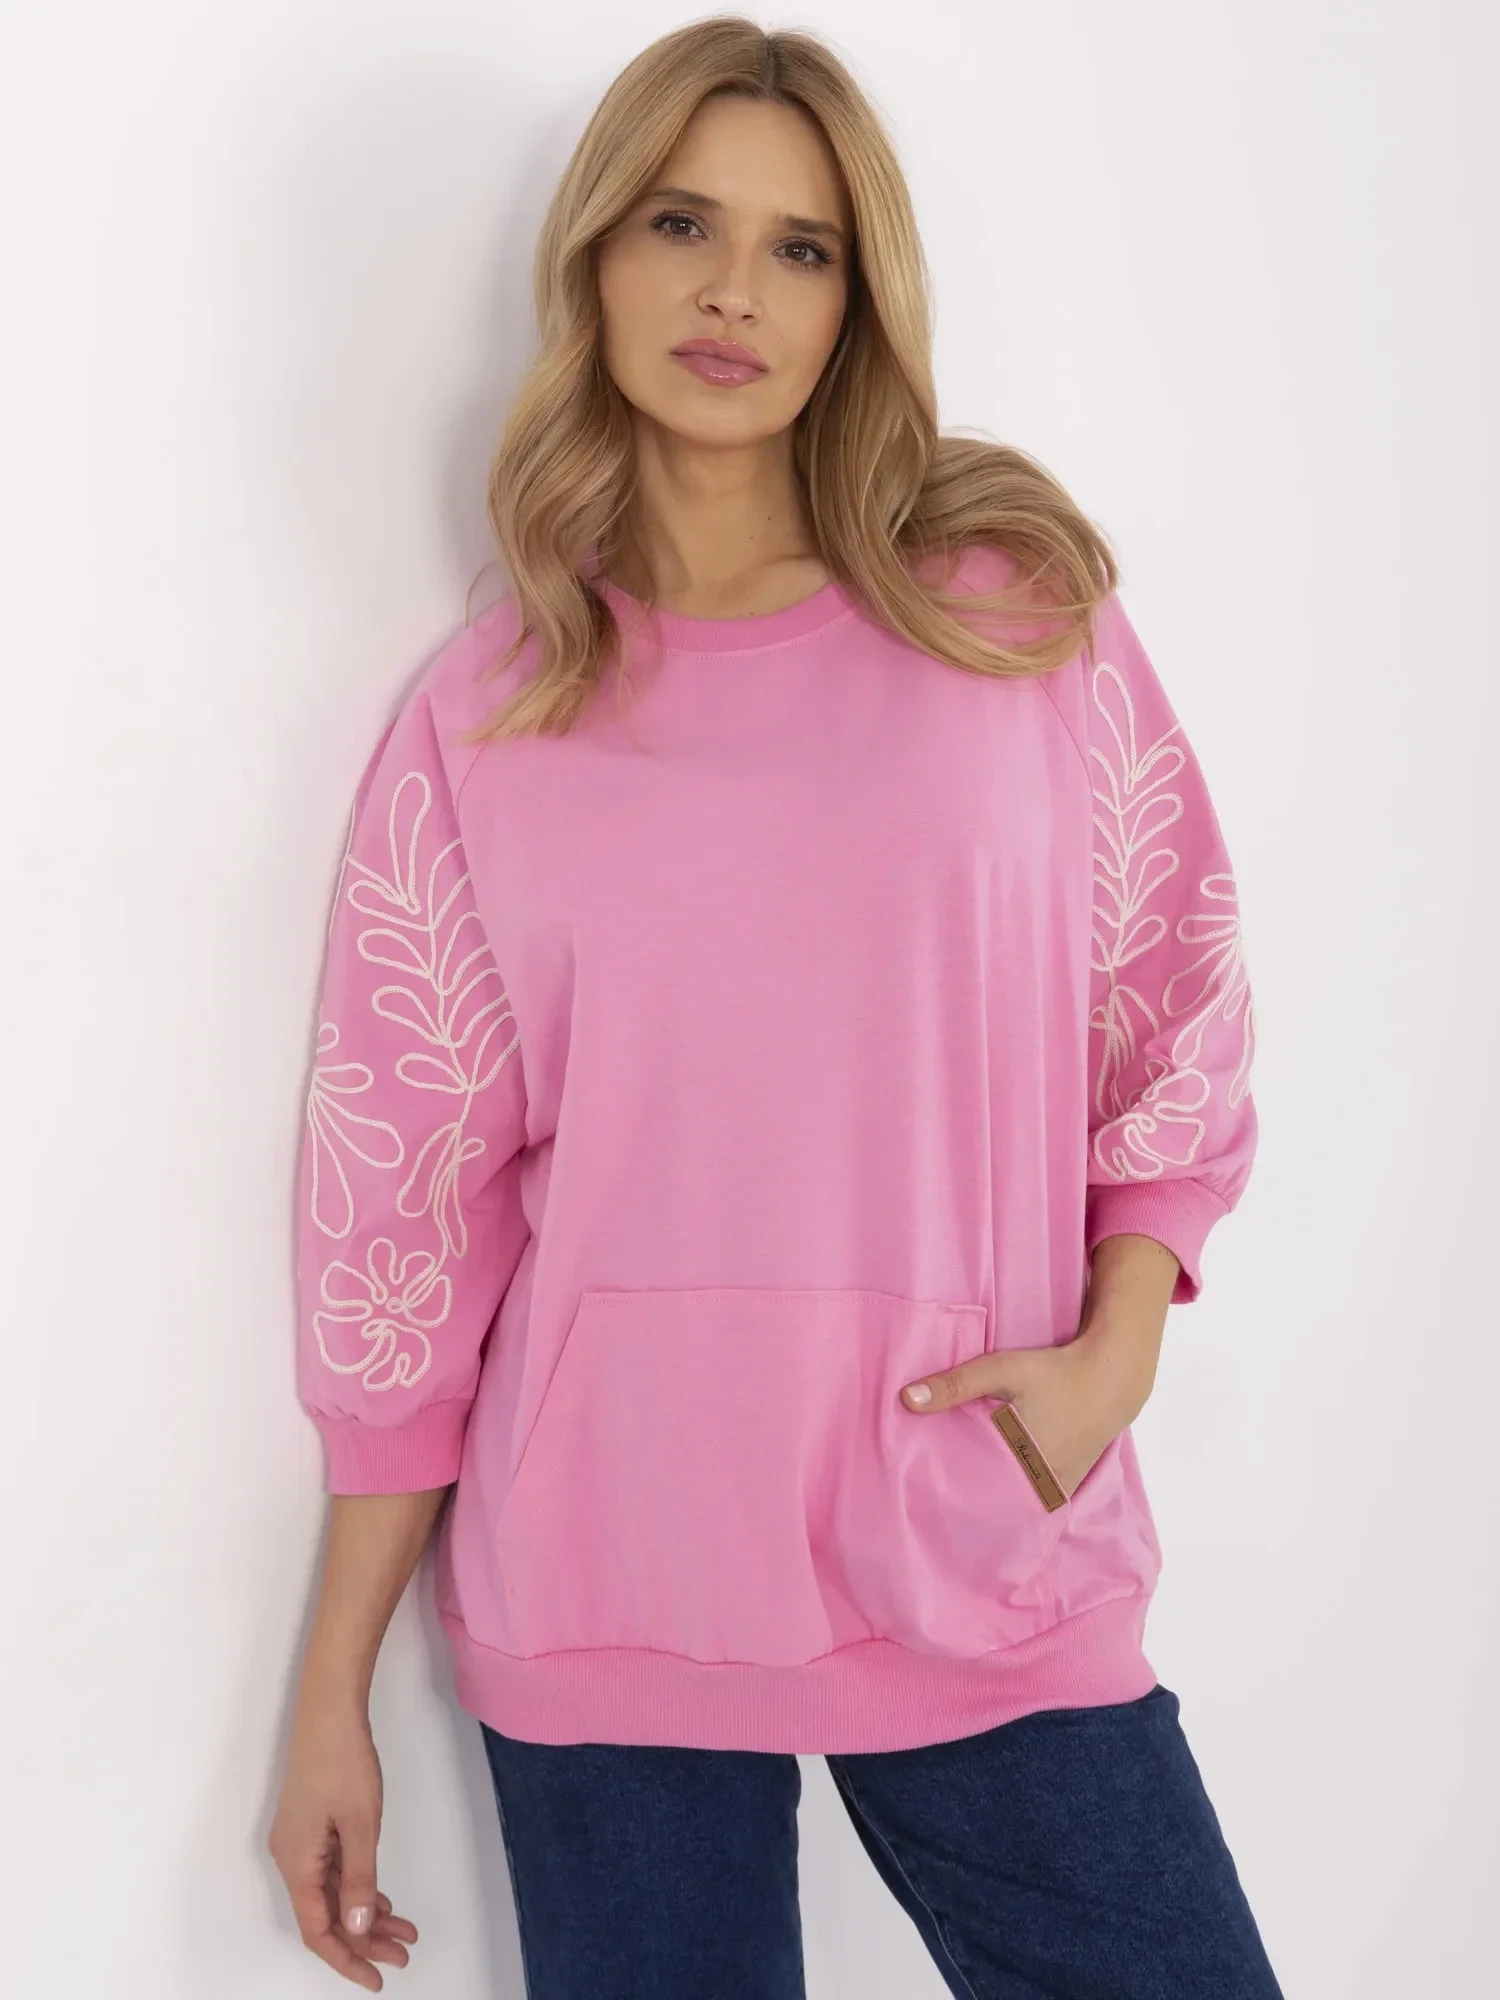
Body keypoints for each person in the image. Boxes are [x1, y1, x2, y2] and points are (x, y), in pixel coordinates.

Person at [268, 16, 1283, 1998]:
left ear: (855, 302)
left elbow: (1172, 988)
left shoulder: (1015, 619)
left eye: (799, 247)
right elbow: (398, 1226)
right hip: (608, 1577)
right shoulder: (491, 713)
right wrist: (331, 1694)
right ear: (595, 260)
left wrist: (1120, 1347)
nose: (733, 289)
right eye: (682, 224)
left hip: (981, 1541)